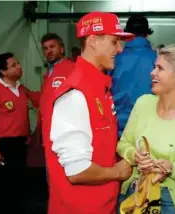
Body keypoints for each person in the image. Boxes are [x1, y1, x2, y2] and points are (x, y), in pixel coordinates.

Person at [42, 12, 135, 214]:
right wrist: (117, 172)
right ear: (93, 40)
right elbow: (77, 170)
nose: (119, 49)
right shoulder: (76, 94)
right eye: (114, 42)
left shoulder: (99, 88)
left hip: (102, 205)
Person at [117, 45, 175, 214]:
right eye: (155, 67)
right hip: (132, 194)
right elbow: (123, 144)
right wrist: (135, 156)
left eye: (160, 68)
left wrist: (172, 168)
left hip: (167, 201)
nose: (152, 72)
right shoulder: (143, 103)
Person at [0, 52, 36, 213]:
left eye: (18, 63)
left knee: (16, 188)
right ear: (3, 72)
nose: (19, 67)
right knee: (1, 189)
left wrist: (27, 135)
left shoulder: (21, 89)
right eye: (14, 65)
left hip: (19, 145)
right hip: (3, 146)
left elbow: (33, 105)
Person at [109, 15, 157, 139]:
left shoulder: (113, 59)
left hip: (117, 127)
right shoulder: (158, 60)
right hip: (149, 127)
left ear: (126, 35)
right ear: (147, 35)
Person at [25, 33, 75, 146]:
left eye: (52, 47)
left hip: (66, 132)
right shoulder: (48, 74)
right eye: (45, 48)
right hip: (49, 130)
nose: (49, 51)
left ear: (61, 49)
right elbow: (45, 101)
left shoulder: (73, 69)